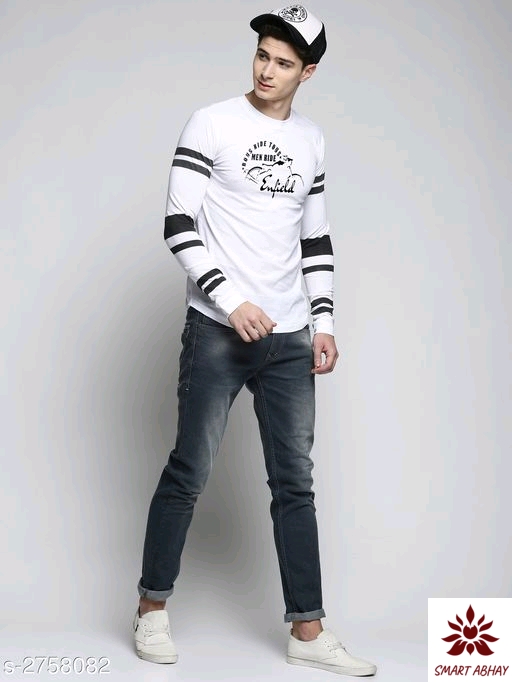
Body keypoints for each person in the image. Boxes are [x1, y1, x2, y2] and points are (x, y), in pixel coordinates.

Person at [133, 5, 377, 677]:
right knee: (190, 470)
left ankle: (308, 631)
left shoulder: (312, 140)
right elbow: (178, 222)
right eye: (263, 54)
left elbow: (315, 238)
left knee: (295, 484)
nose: (268, 70)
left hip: (291, 337)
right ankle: (151, 608)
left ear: (308, 72)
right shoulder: (211, 122)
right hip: (218, 330)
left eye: (284, 62)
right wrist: (230, 300)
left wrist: (324, 323)